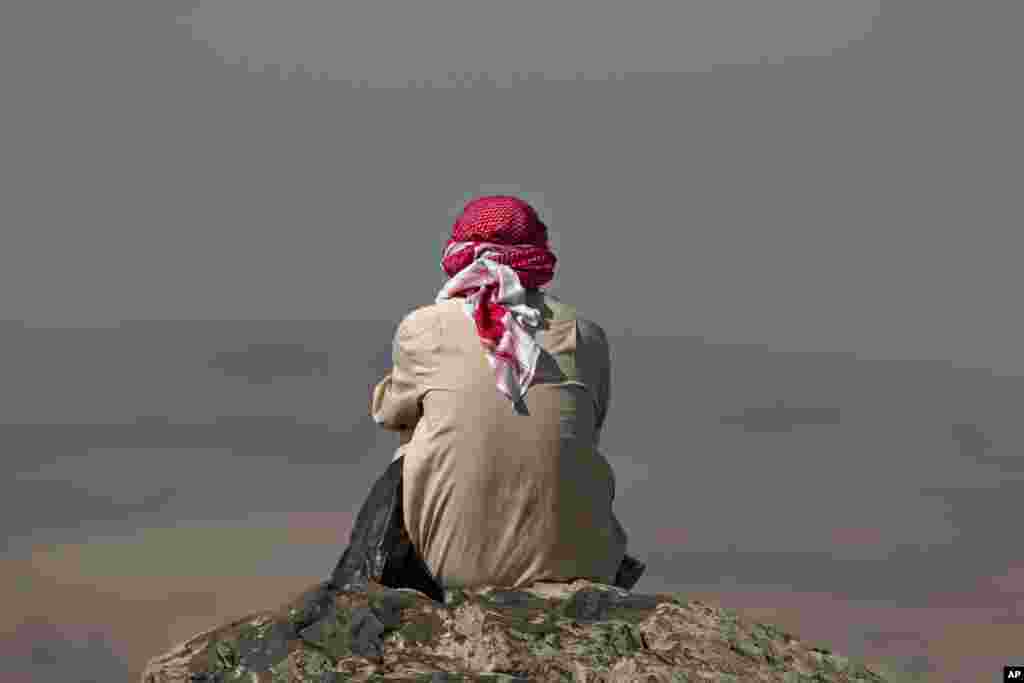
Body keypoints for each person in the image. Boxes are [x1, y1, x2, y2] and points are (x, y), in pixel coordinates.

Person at [329, 195, 643, 601]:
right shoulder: (584, 334)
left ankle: (370, 589)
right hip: (582, 567)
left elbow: (390, 413)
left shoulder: (425, 326)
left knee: (414, 449)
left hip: (452, 567)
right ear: (537, 252)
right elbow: (591, 421)